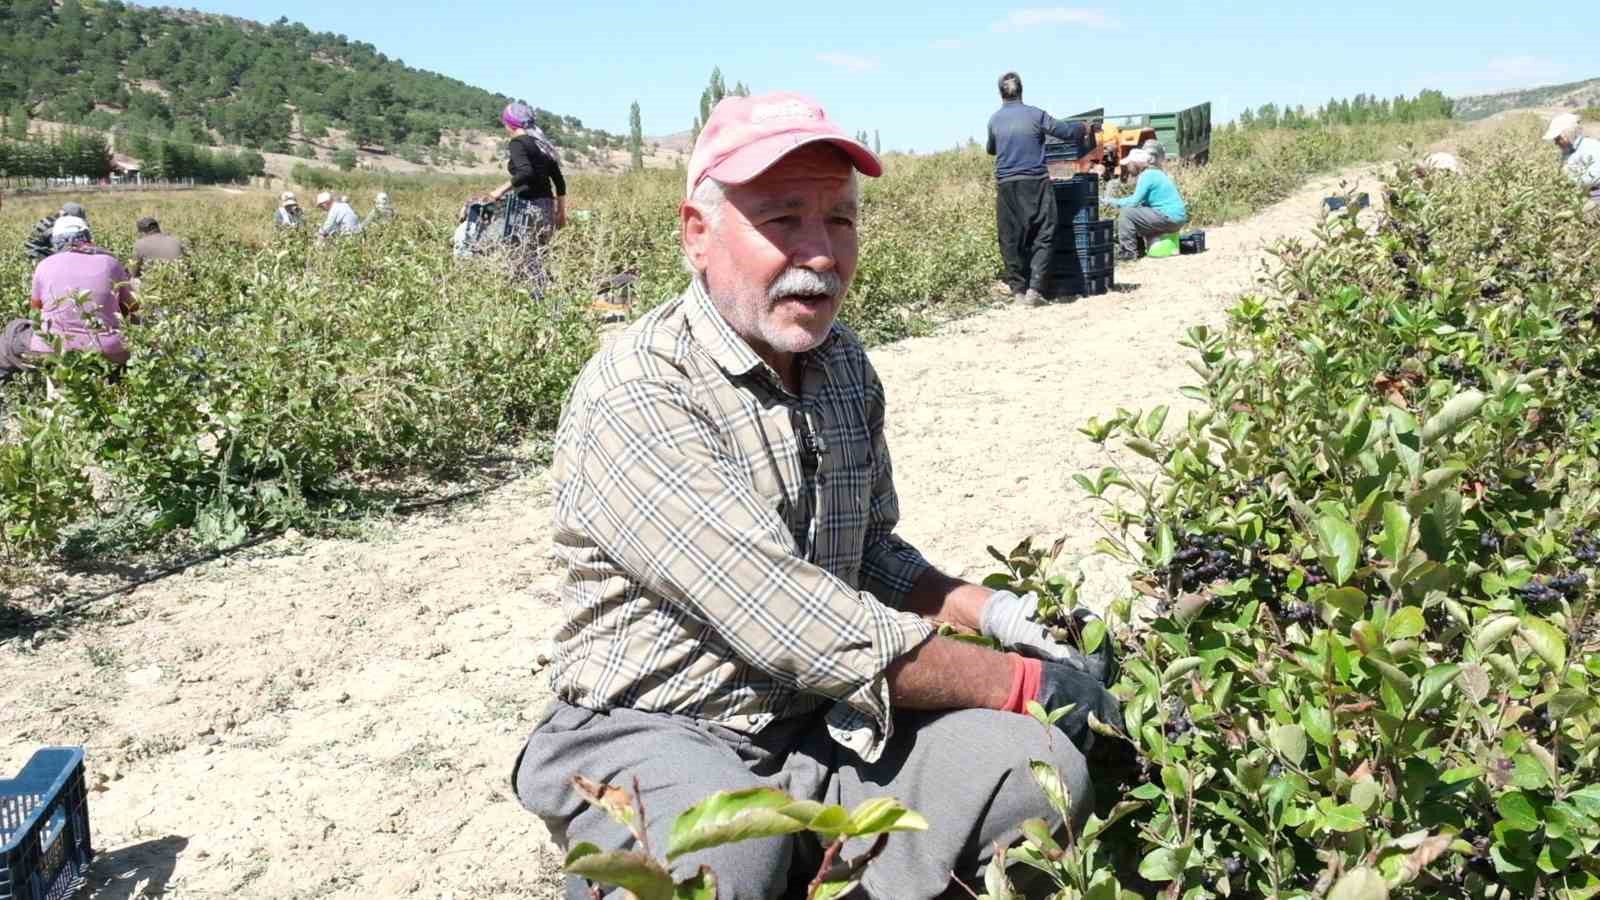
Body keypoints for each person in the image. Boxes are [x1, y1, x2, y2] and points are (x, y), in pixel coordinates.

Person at [512, 91, 1127, 900]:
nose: (822, 252)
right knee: (717, 865)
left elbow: (869, 550)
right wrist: (1019, 683)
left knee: (1032, 772)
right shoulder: (639, 391)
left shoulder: (842, 366)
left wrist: (999, 615)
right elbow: (787, 616)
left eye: (840, 220)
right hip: (659, 726)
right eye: (782, 219)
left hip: (821, 721)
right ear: (697, 233)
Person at [986, 72, 1096, 308]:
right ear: (1022, 91)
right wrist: (1083, 128)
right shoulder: (1036, 114)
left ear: (1000, 94)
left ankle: (1017, 292)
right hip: (1035, 183)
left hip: (1007, 186)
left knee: (1010, 238)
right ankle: (1035, 290)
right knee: (1044, 233)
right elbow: (1065, 132)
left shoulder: (995, 120)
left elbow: (991, 149)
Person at [1, 216, 135, 379]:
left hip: (54, 350)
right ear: (88, 238)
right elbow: (131, 308)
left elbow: (35, 314)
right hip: (110, 352)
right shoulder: (111, 263)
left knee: (12, 334)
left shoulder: (45, 265)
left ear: (56, 241)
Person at [489, 101, 568, 287]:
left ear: (509, 123)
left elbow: (525, 173)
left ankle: (537, 301)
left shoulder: (517, 143)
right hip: (547, 207)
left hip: (527, 207)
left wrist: (498, 191)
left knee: (523, 257)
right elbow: (559, 182)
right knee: (540, 256)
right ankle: (547, 297)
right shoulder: (542, 144)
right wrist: (561, 212)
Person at [1108, 148, 1187, 261]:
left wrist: (1111, 201)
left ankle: (1129, 252)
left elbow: (1133, 202)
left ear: (1136, 164)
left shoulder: (1147, 176)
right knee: (1137, 213)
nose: (1128, 168)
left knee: (1127, 213)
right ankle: (1138, 249)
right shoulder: (1156, 173)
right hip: (1177, 217)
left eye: (1129, 164)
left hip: (1170, 217)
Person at [1545, 113, 1600, 219]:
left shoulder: (1592, 147)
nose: (1556, 143)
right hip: (1583, 197)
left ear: (1568, 133)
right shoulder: (1568, 151)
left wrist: (1566, 180)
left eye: (1558, 138)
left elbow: (1593, 179)